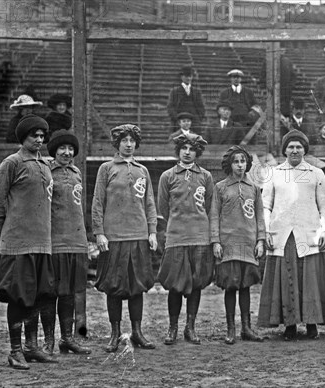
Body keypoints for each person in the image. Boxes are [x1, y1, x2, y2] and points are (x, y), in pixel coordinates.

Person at [0, 114, 57, 369]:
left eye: (42, 136)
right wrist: (4, 229)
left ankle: (31, 346)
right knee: (19, 297)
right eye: (34, 136)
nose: (39, 140)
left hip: (42, 242)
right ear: (23, 138)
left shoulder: (45, 164)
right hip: (18, 244)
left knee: (39, 296)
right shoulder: (12, 163)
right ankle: (15, 350)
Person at [258, 129, 325, 340]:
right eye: (290, 147)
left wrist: (324, 230)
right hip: (282, 234)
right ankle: (289, 325)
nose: (294, 150)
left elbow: (323, 206)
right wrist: (266, 231)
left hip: (308, 232)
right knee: (286, 278)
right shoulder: (273, 173)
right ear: (284, 150)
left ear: (304, 150)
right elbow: (265, 205)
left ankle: (311, 324)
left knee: (309, 279)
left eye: (299, 147)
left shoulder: (316, 173)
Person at [92, 124, 158, 352]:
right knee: (114, 287)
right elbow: (98, 202)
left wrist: (152, 232)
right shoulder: (106, 168)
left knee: (136, 286)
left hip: (138, 236)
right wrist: (99, 232)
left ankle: (137, 332)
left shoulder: (143, 170)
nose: (128, 144)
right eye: (124, 140)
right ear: (117, 144)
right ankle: (115, 334)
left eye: (132, 141)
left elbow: (149, 203)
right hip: (114, 238)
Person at [157, 133, 214, 345]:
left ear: (197, 152)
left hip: (199, 236)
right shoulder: (167, 176)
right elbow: (163, 206)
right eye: (184, 148)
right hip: (176, 237)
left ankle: (190, 327)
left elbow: (209, 206)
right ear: (178, 151)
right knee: (175, 284)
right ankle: (172, 328)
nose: (187, 152)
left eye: (191, 149)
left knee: (196, 283)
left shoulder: (205, 176)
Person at [210, 146, 265, 345]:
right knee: (231, 287)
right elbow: (214, 216)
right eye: (236, 162)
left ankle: (247, 328)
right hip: (228, 243)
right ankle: (231, 329)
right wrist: (215, 241)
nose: (240, 165)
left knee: (245, 287)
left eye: (243, 161)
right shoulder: (220, 187)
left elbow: (260, 216)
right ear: (229, 164)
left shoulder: (254, 188)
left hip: (248, 243)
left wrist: (260, 240)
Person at [46, 129, 91, 355]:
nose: (67, 152)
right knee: (51, 292)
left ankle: (67, 338)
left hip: (77, 241)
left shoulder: (76, 172)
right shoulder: (47, 171)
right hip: (55, 241)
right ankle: (47, 342)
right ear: (54, 151)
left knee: (70, 293)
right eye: (62, 148)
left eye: (71, 149)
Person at [167, 65, 205, 131]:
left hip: (194, 123)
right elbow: (170, 107)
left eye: (190, 76)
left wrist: (198, 119)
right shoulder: (174, 91)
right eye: (186, 76)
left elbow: (201, 107)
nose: (188, 78)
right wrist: (177, 119)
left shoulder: (197, 92)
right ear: (181, 77)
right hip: (179, 123)